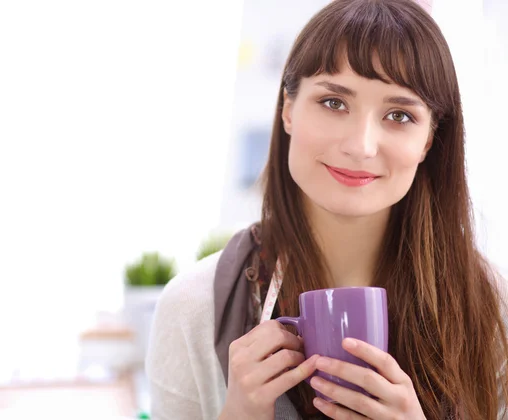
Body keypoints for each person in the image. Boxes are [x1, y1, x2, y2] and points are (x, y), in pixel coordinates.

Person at [146, 0, 508, 418]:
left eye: (399, 114)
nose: (360, 145)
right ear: (287, 110)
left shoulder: (492, 310)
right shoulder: (194, 310)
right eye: (334, 103)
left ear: (429, 140)